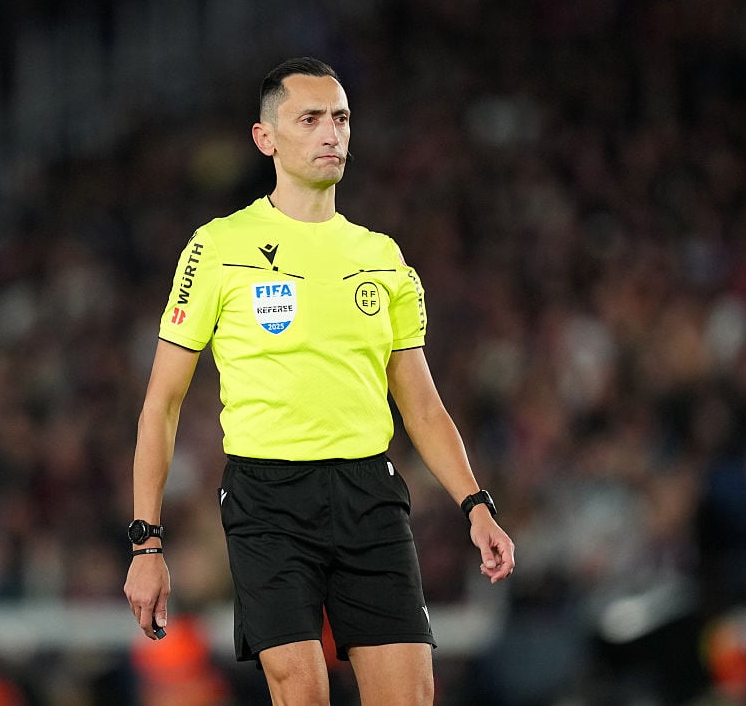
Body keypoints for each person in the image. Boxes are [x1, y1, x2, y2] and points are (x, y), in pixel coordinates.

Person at [123, 56, 515, 705]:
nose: (331, 133)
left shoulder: (382, 258)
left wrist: (476, 505)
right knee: (301, 693)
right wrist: (146, 542)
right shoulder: (217, 247)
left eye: (341, 118)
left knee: (411, 698)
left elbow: (420, 403)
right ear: (266, 138)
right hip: (266, 498)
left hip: (369, 494)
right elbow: (161, 404)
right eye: (310, 118)